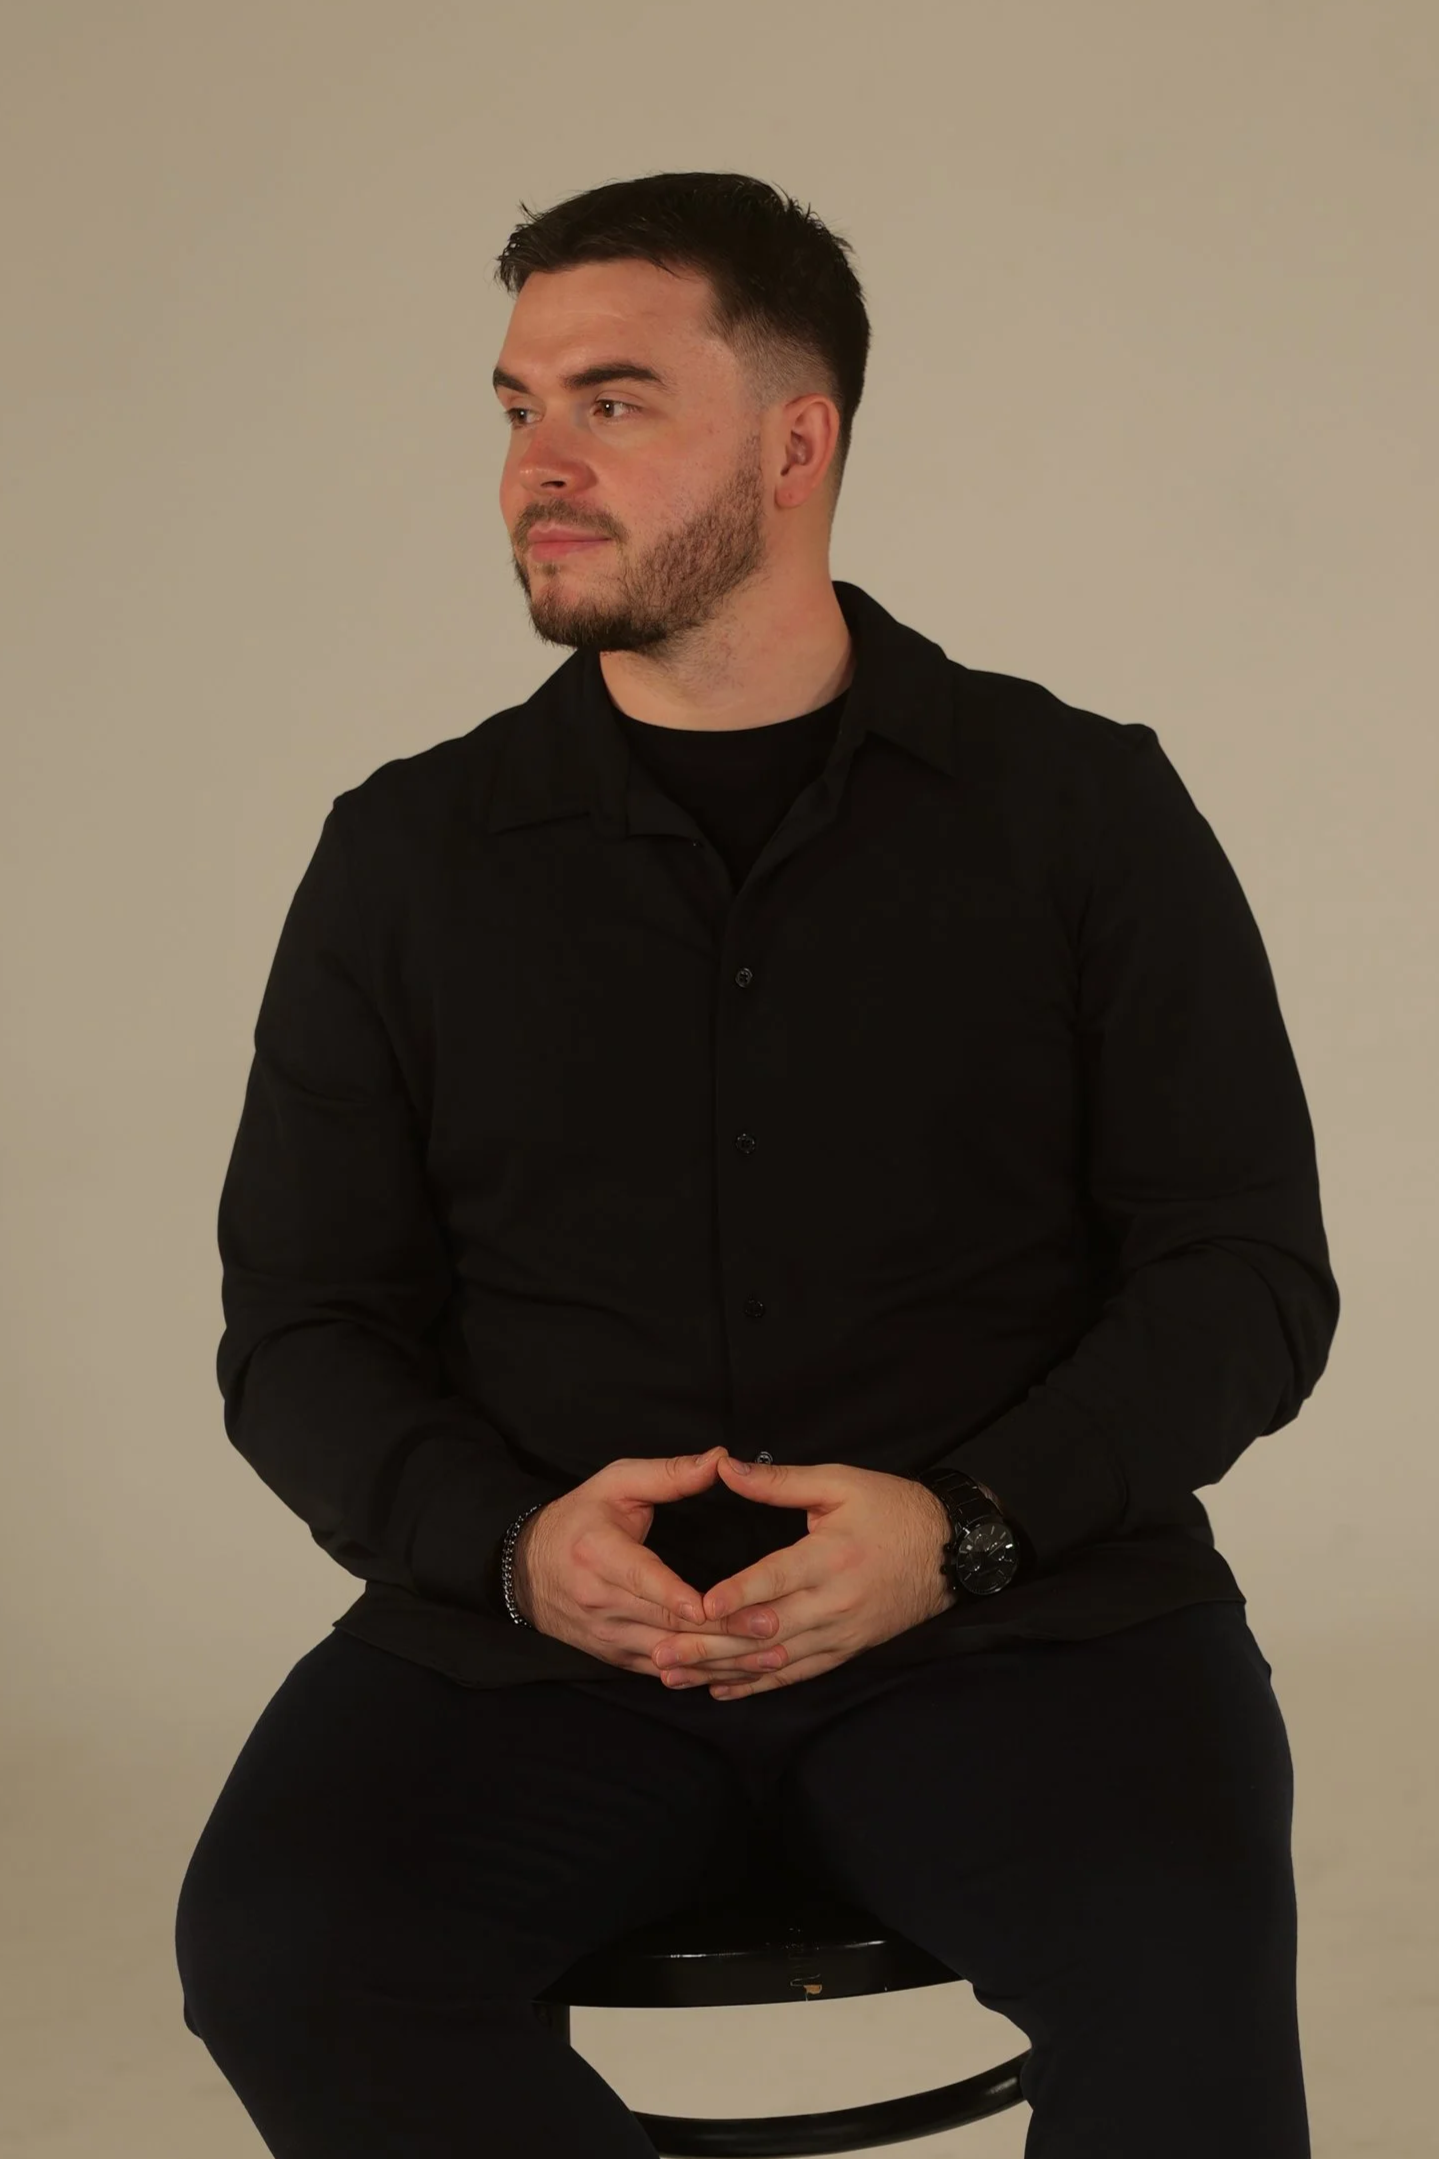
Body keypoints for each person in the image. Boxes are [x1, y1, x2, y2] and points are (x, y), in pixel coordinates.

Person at [174, 171, 1338, 2157]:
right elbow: (303, 1325)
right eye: (516, 403)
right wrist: (515, 1547)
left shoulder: (1076, 807)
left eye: (610, 400)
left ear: (796, 443)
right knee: (288, 1945)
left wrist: (963, 1523)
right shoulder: (408, 856)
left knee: (1178, 1966)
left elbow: (1238, 1271)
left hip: (1018, 1624)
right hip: (534, 1649)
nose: (537, 461)